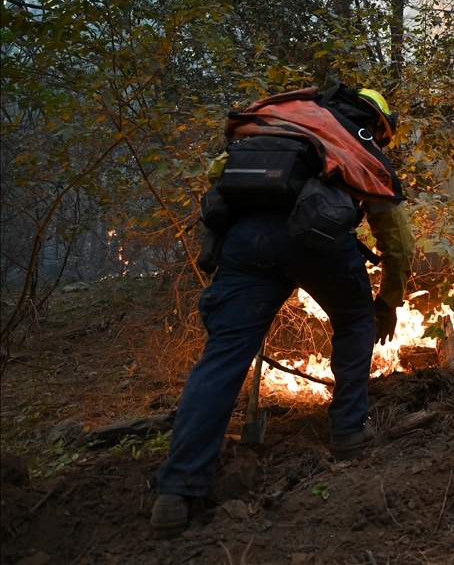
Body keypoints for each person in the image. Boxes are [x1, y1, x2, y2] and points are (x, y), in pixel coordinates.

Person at [150, 84, 415, 538]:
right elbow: (398, 243)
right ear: (375, 122)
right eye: (383, 134)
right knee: (354, 320)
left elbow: (219, 174)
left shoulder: (279, 122)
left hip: (245, 245)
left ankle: (176, 490)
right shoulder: (354, 140)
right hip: (316, 242)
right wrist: (387, 303)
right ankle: (349, 432)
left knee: (225, 354)